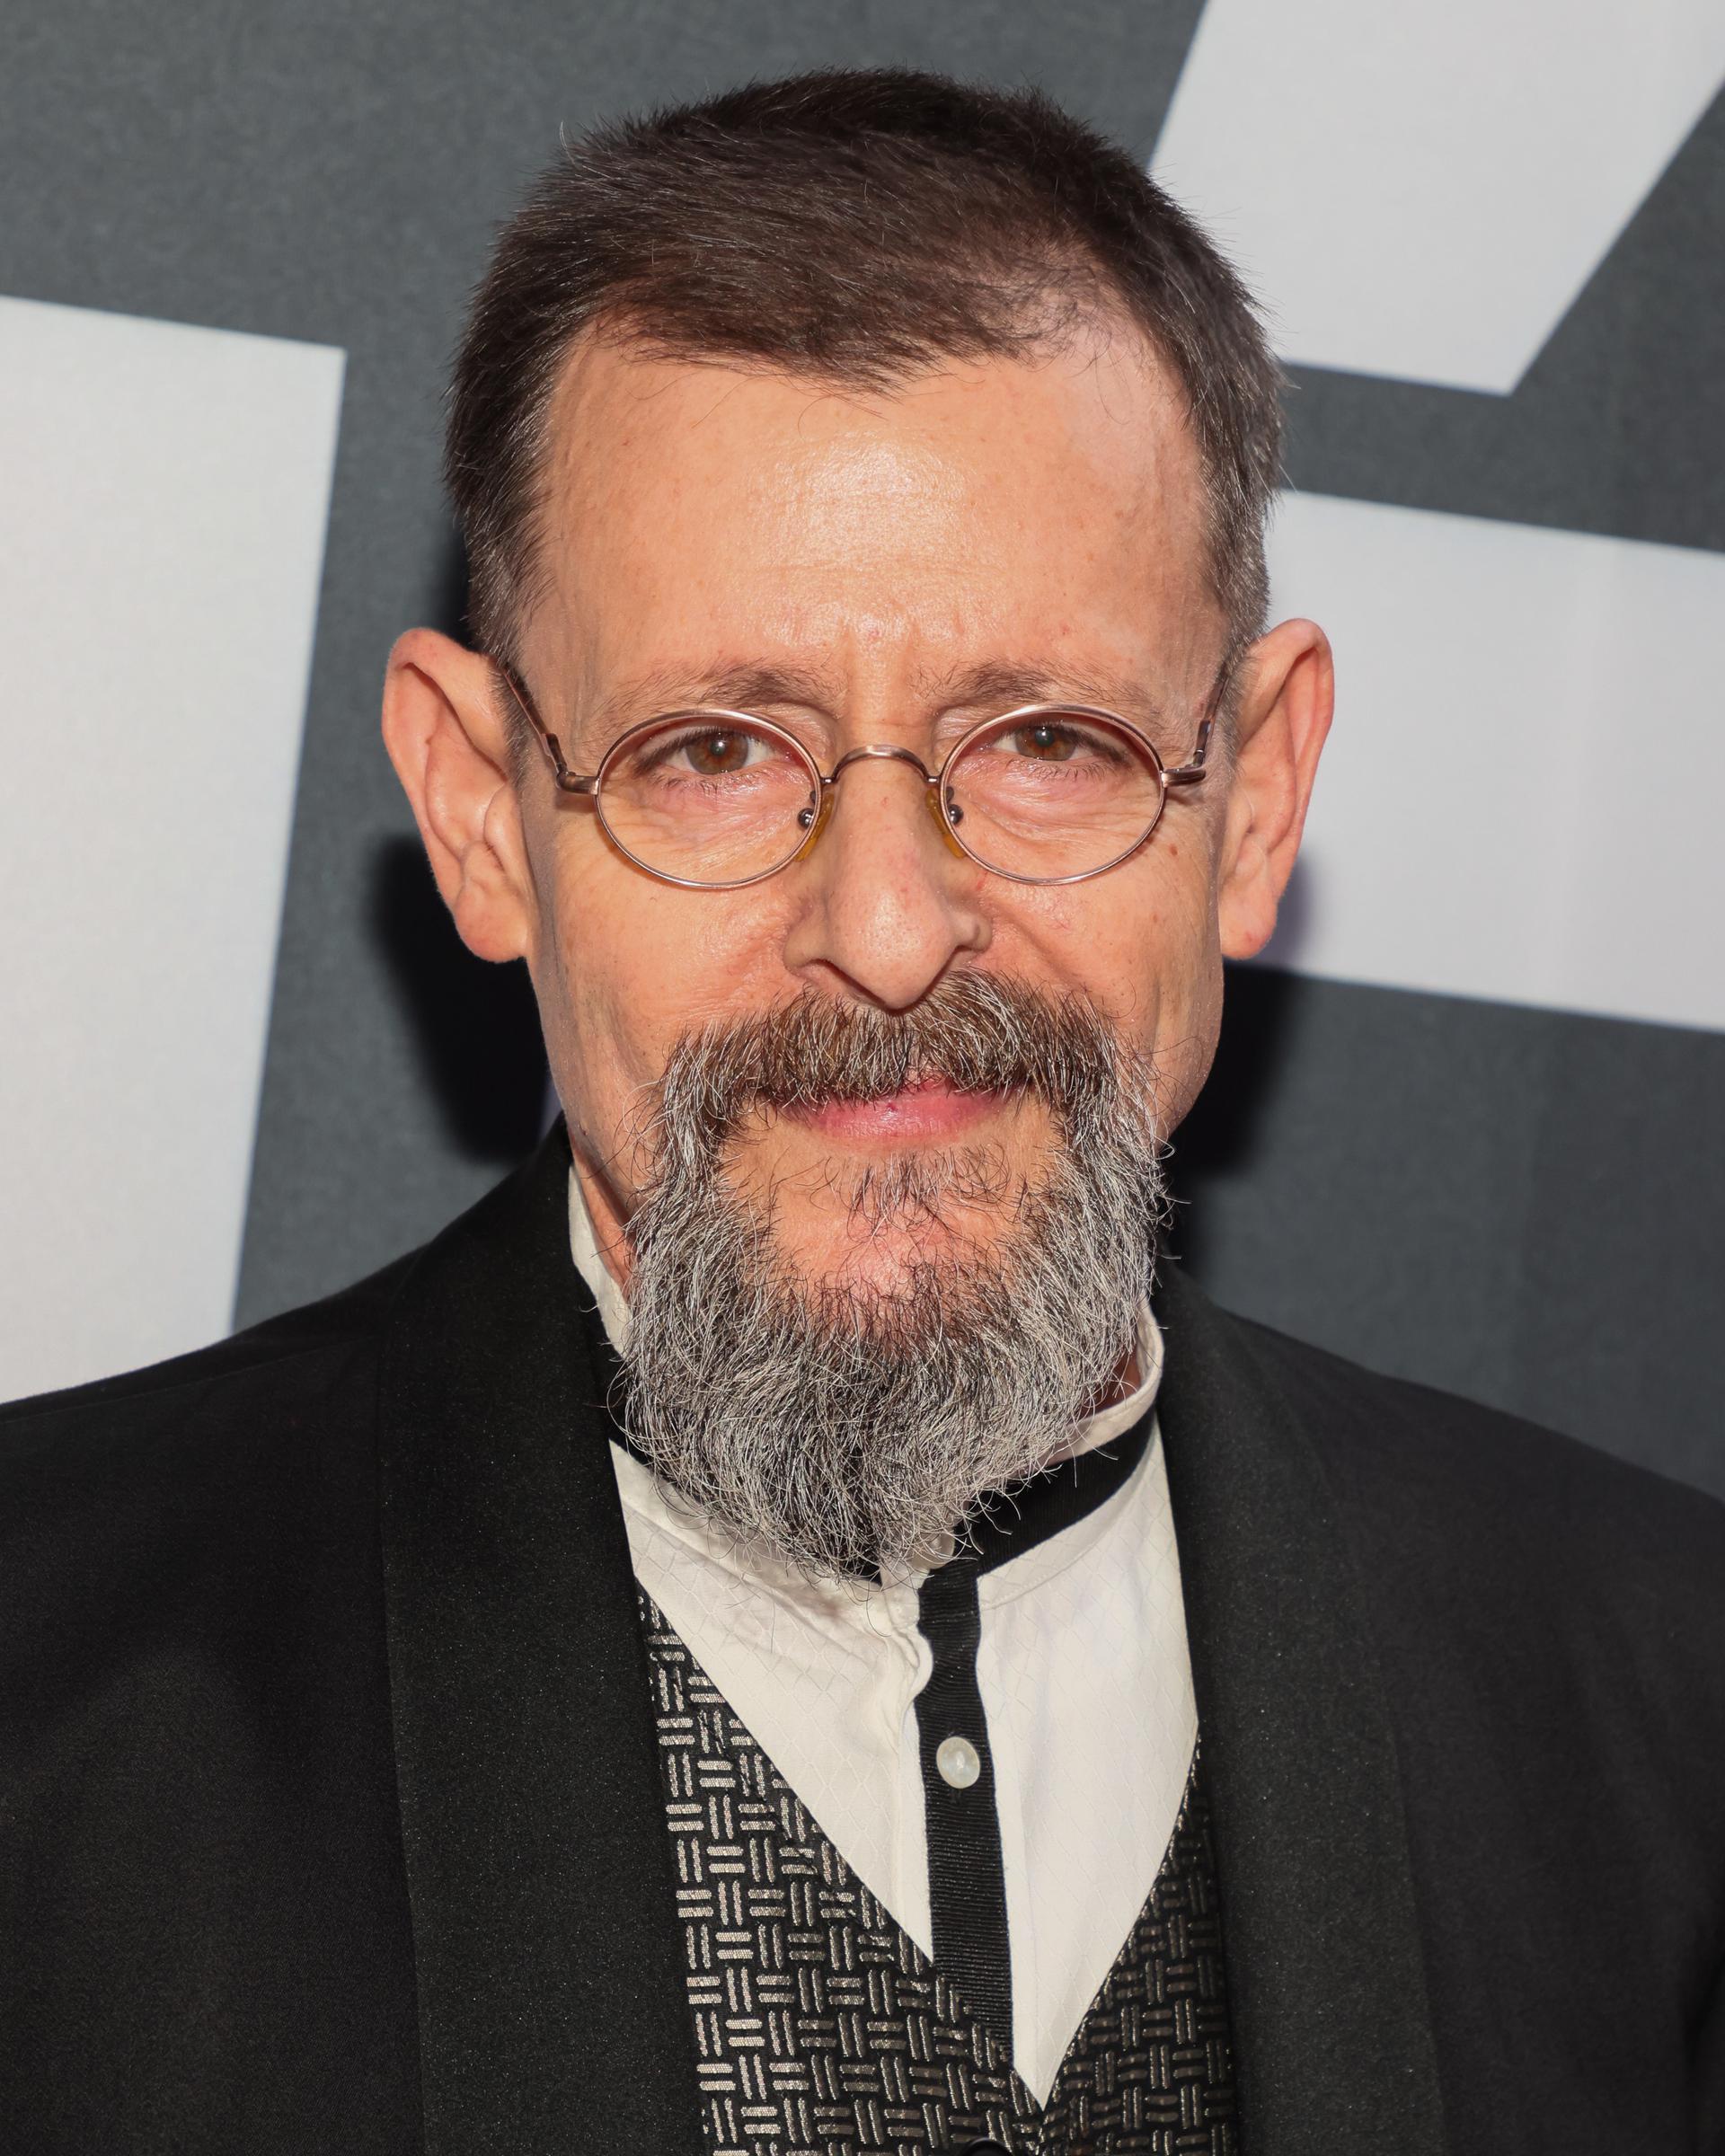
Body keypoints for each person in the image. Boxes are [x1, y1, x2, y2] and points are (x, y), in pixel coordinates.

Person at [3, 67, 1721, 2156]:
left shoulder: (1661, 1711)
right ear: (479, 816)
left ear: (1253, 798)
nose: (894, 929)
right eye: (716, 751)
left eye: (1049, 744)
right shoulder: (51, 1694)